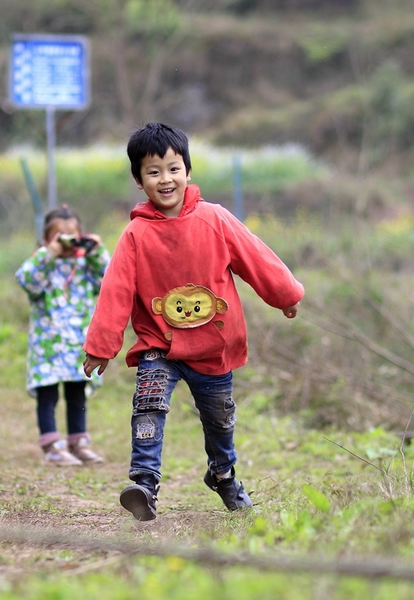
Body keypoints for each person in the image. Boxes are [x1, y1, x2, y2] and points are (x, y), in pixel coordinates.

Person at [82, 123, 304, 520]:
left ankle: (223, 475)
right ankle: (144, 485)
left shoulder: (215, 219)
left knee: (219, 422)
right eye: (153, 171)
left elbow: (257, 258)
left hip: (214, 347)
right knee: (148, 405)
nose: (165, 179)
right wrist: (102, 345)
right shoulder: (135, 234)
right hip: (159, 345)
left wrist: (285, 295)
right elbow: (115, 291)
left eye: (173, 168)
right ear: (138, 180)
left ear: (187, 170)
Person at [17, 206, 110, 466]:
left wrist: (96, 251)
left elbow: (110, 278)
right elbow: (26, 280)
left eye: (72, 234)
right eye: (59, 235)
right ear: (47, 239)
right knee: (48, 394)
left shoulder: (84, 266)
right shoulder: (42, 263)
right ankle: (51, 446)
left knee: (77, 393)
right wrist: (49, 255)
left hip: (78, 346)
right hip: (47, 346)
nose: (66, 240)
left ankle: (78, 442)